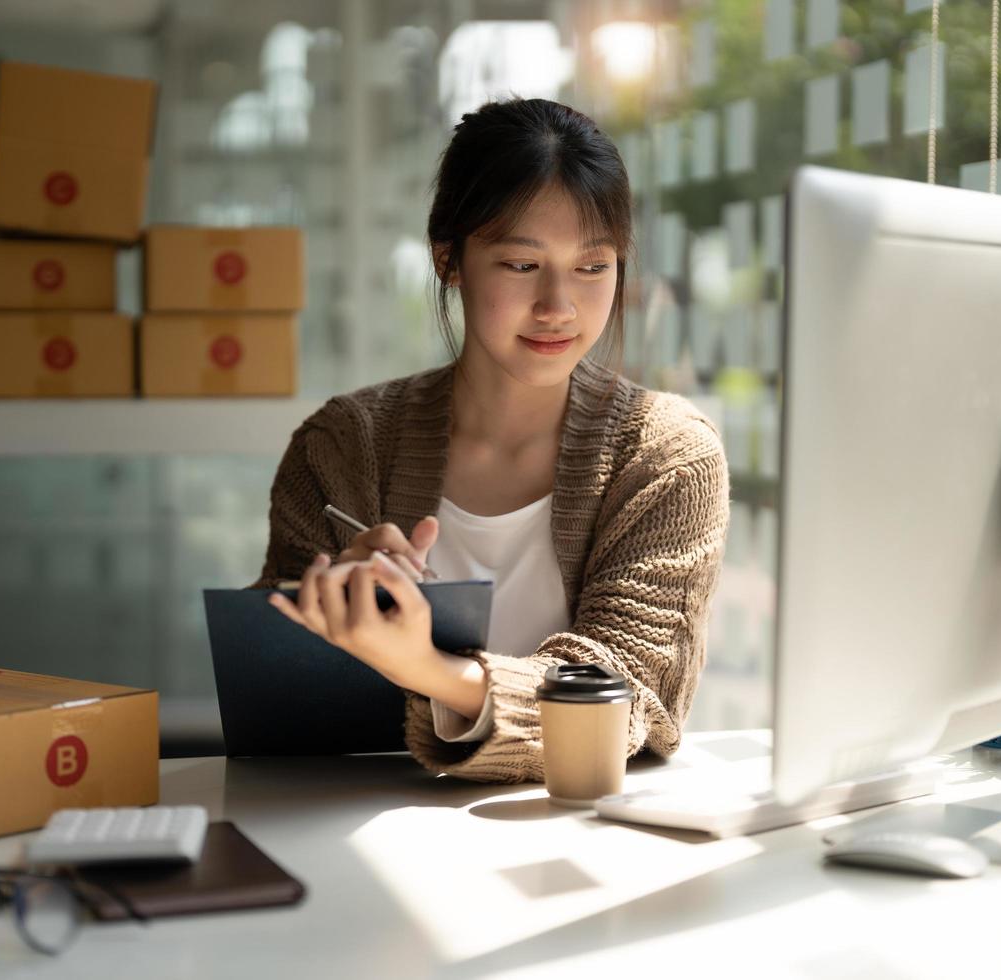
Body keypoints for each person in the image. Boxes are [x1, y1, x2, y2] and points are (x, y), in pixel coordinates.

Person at [255, 98, 728, 783]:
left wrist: (430, 670)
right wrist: (324, 604)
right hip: (354, 833)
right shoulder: (341, 446)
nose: (558, 306)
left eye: (593, 267)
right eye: (520, 265)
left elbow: (624, 693)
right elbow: (274, 698)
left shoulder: (666, 458)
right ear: (450, 259)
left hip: (590, 839)